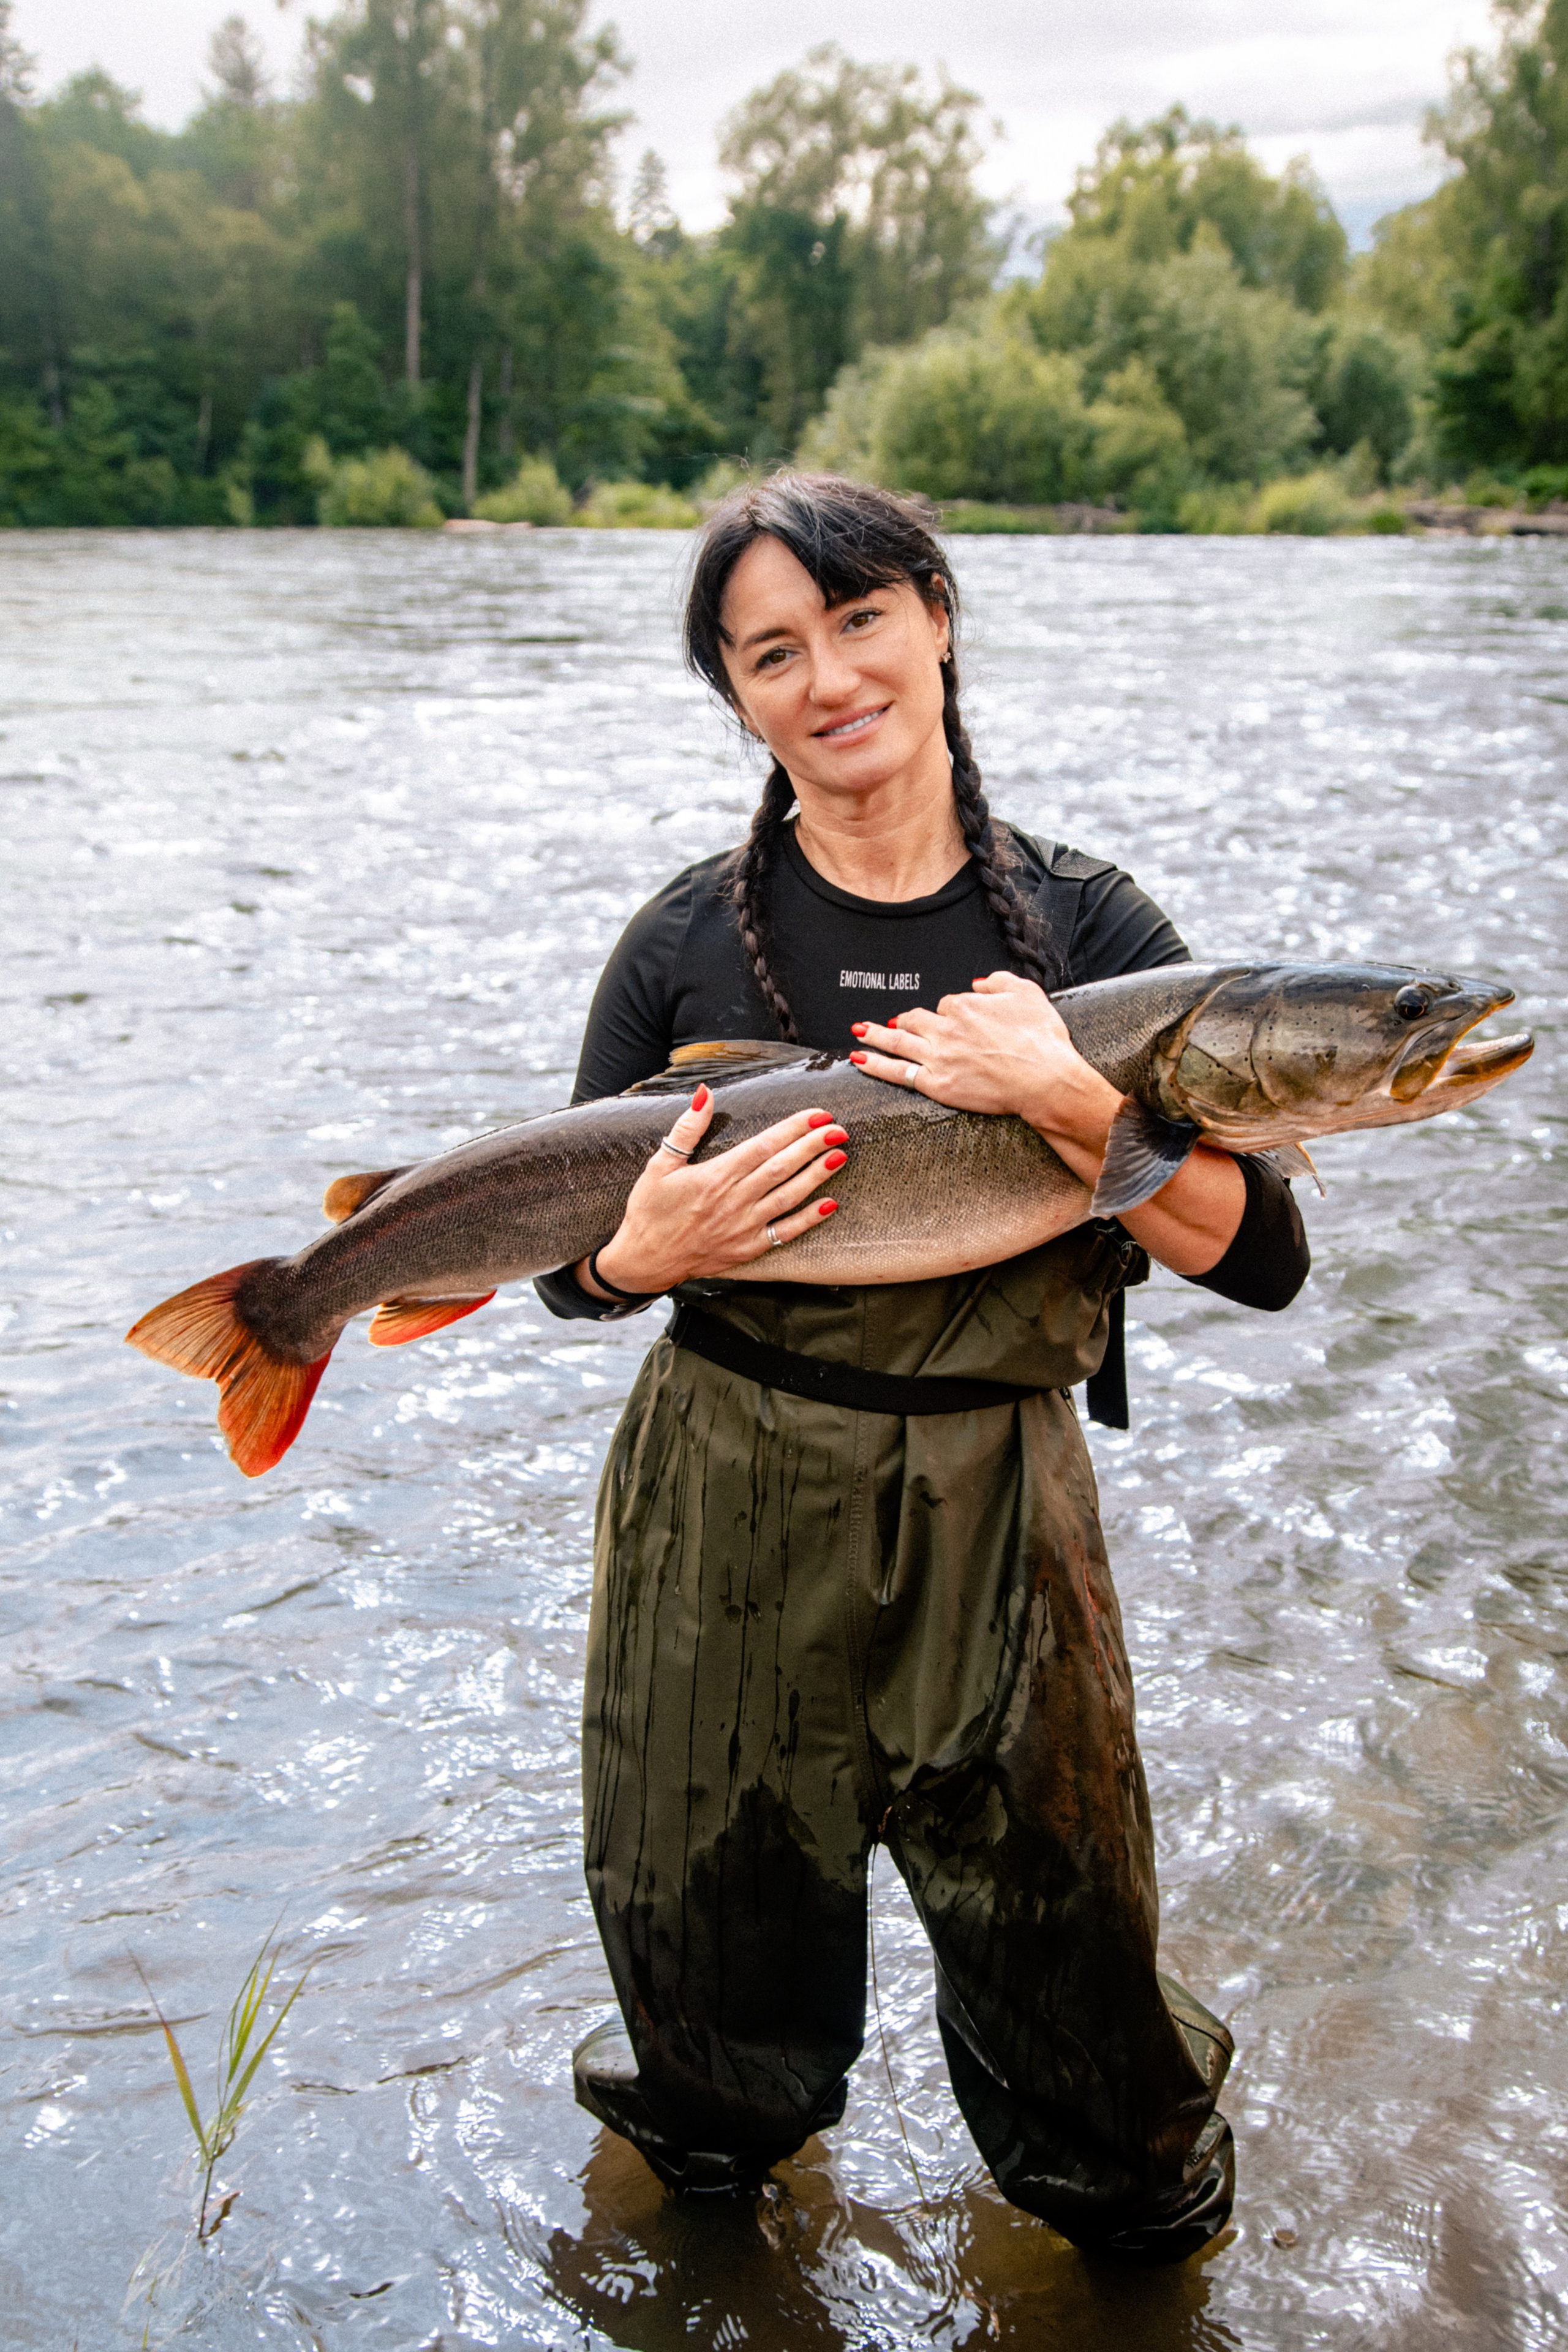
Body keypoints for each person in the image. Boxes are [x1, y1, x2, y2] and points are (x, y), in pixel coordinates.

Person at [535, 474, 1308, 2262]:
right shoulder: (677, 944)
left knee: (1083, 2001)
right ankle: (713, 2255)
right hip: (723, 1497)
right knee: (706, 1987)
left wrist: (1069, 1099)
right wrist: (630, 1261)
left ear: (939, 617)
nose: (831, 677)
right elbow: (571, 1271)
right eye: (772, 652)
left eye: (861, 620)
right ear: (736, 696)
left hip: (1002, 1505)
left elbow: (1261, 1260)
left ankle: (1135, 2264)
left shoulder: (1095, 936)